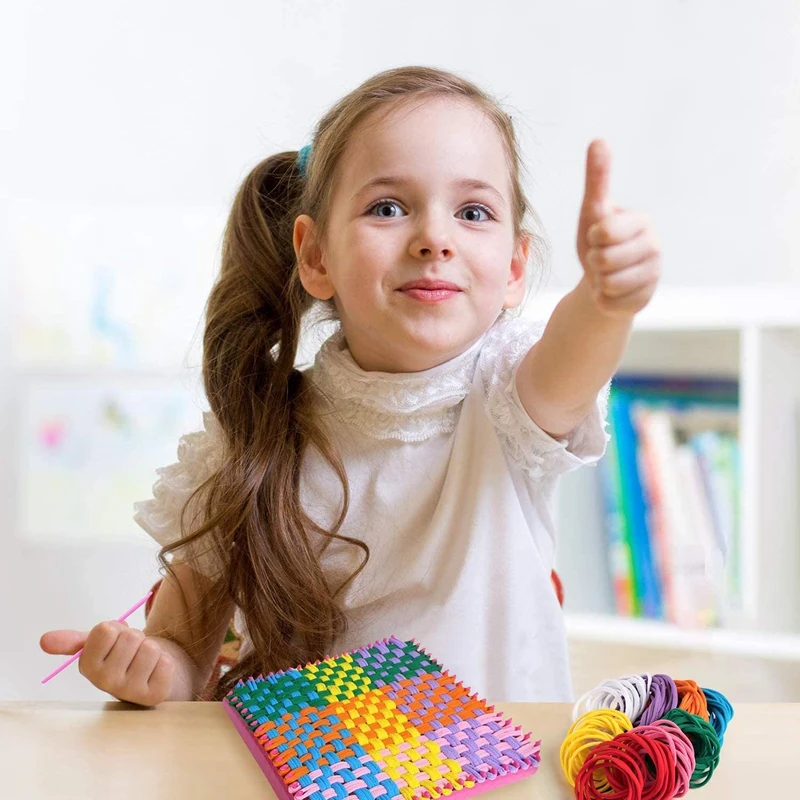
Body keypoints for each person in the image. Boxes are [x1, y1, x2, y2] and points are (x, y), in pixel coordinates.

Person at [40, 66, 661, 707]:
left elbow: (570, 366)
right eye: (387, 208)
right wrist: (149, 668)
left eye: (473, 212)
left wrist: (605, 301)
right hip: (310, 759)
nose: (435, 239)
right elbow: (181, 657)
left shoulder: (511, 396)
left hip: (496, 760)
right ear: (315, 256)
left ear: (513, 268)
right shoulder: (255, 431)